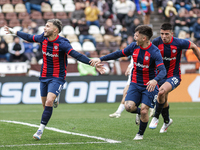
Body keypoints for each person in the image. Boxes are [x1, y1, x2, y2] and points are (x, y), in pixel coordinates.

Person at [4, 19, 105, 140]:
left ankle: (40, 130)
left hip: (57, 77)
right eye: (45, 25)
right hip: (44, 75)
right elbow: (29, 37)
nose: (44, 28)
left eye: (47, 26)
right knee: (44, 104)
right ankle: (55, 97)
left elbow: (76, 55)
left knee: (49, 102)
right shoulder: (43, 38)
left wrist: (92, 63)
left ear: (55, 30)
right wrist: (13, 31)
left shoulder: (62, 43)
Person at [90, 25, 166, 140]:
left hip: (149, 85)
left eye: (136, 35)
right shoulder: (134, 46)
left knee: (145, 109)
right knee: (129, 107)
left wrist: (155, 80)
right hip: (135, 83)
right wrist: (101, 59)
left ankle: (140, 134)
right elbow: (118, 54)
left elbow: (163, 71)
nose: (134, 38)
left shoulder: (154, 52)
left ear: (144, 38)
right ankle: (141, 113)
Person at [149, 23, 200, 133]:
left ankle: (155, 117)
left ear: (172, 33)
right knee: (163, 99)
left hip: (174, 76)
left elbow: (194, 46)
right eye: (162, 34)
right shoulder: (156, 42)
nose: (164, 36)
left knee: (161, 92)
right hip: (160, 76)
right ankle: (167, 121)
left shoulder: (179, 42)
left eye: (166, 34)